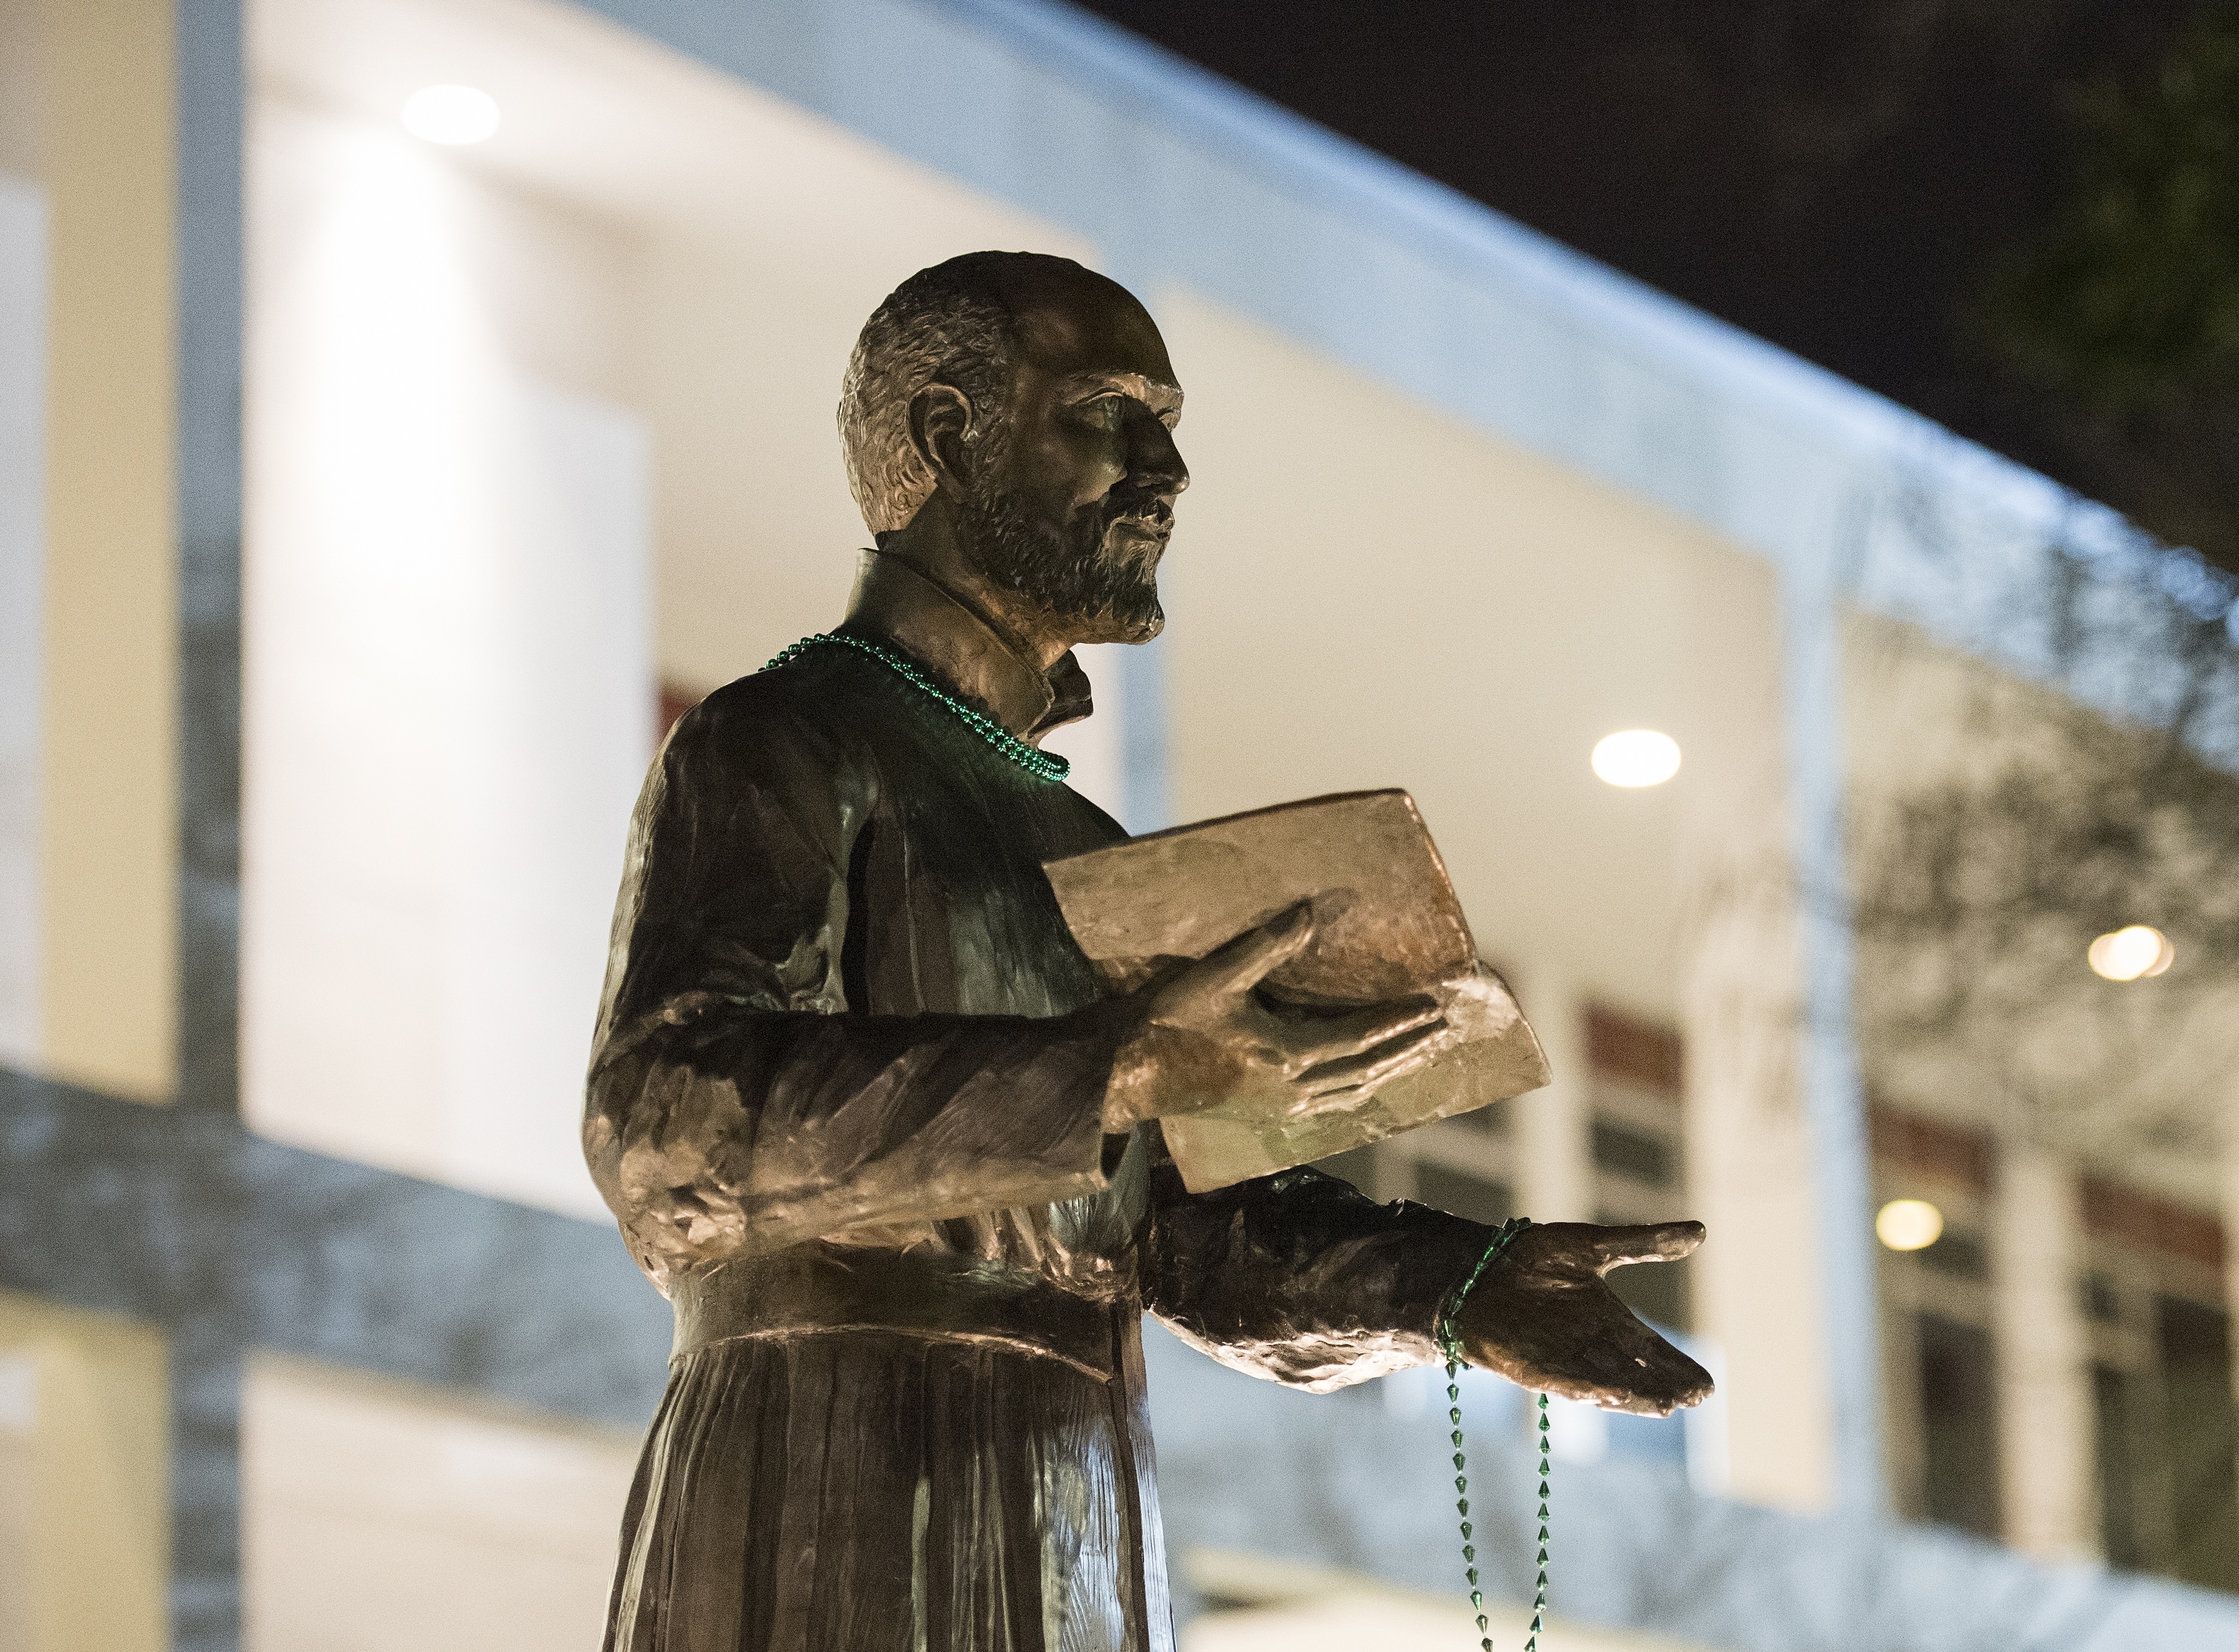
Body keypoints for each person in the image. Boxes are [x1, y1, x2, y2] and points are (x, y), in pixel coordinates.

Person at [584, 251, 1710, 1652]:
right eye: (1108, 413)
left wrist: (1453, 1286)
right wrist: (1107, 1068)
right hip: (830, 1456)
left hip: (1076, 1485)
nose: (1165, 468)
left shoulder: (1079, 831)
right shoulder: (781, 738)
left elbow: (1181, 1233)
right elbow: (666, 1122)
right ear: (948, 438)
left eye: (1166, 421)